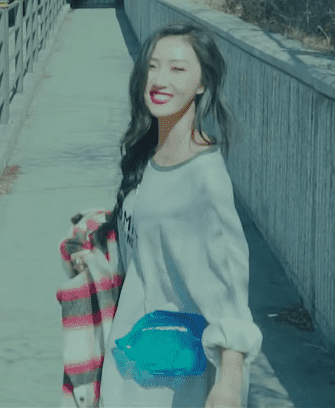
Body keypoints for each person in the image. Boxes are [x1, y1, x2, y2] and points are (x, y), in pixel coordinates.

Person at [95, 22, 262, 408]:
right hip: (129, 361)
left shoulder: (205, 179)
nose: (159, 79)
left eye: (177, 69)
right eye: (153, 66)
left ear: (202, 84)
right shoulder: (151, 153)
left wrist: (229, 381)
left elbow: (231, 283)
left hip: (174, 379)